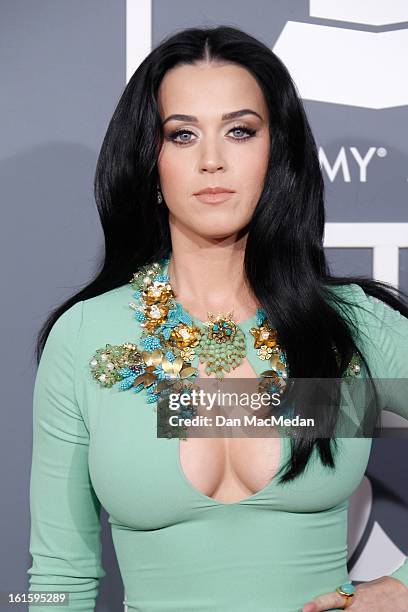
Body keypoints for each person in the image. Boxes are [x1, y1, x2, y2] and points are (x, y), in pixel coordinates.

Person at [27, 25, 408, 612]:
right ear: (149, 165)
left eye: (239, 131)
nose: (212, 160)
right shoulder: (86, 337)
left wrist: (406, 585)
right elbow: (59, 575)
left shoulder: (346, 327)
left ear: (276, 152)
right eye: (182, 135)